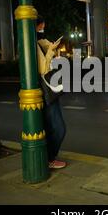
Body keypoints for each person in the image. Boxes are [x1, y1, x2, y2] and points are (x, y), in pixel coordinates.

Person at [35, 16, 67, 169]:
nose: (43, 28)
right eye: (41, 26)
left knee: (53, 127)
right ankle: (49, 159)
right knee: (59, 128)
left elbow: (50, 58)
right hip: (45, 90)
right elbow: (43, 68)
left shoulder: (40, 41)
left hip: (48, 90)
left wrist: (52, 49)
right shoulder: (32, 44)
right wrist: (50, 53)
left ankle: (48, 158)